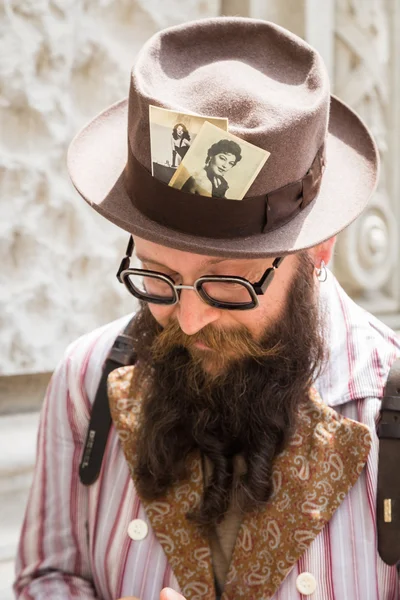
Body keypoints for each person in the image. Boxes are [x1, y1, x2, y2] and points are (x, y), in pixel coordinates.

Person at [14, 16, 400, 600]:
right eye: (159, 278)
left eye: (227, 286)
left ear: (319, 247)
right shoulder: (85, 381)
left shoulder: (388, 409)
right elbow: (51, 576)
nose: (189, 321)